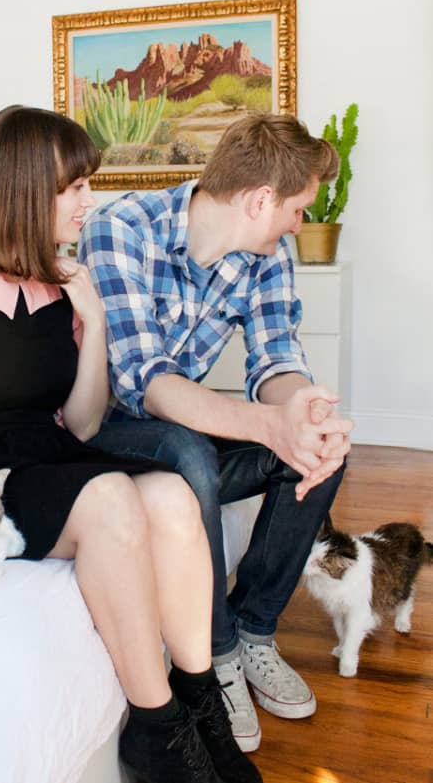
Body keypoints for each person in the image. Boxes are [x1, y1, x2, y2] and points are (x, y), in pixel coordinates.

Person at [0, 106, 261, 783]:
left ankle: (200, 705)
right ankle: (156, 729)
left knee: (172, 495)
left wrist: (94, 321)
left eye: (86, 184)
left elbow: (82, 423)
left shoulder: (58, 275)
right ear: (22, 188)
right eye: (72, 187)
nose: (88, 201)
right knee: (108, 497)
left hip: (47, 449)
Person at [79, 112, 354, 753]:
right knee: (188, 453)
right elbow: (142, 383)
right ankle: (216, 649)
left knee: (322, 448)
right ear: (262, 200)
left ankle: (256, 628)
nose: (299, 224)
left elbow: (275, 356)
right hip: (103, 433)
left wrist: (300, 411)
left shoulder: (267, 257)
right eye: (297, 209)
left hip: (185, 431)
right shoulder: (122, 229)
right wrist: (264, 424)